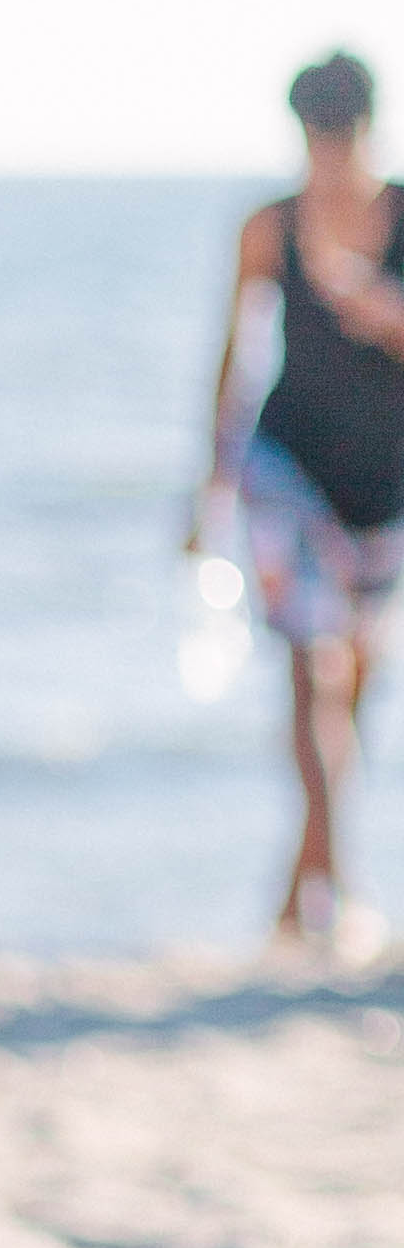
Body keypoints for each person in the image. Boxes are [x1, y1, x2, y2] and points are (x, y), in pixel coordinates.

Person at [198, 48, 404, 947]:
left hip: (387, 484)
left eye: (337, 132)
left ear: (364, 129)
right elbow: (231, 359)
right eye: (315, 134)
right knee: (307, 676)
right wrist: (207, 484)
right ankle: (333, 892)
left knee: (355, 689)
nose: (326, 149)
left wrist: (387, 316)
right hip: (285, 473)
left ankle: (300, 886)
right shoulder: (268, 227)